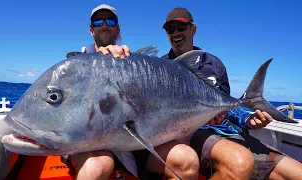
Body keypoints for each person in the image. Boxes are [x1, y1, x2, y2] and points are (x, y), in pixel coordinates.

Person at [100, 7, 302, 180]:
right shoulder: (158, 69)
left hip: (230, 133)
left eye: (181, 27)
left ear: (192, 29)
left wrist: (247, 120)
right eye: (170, 29)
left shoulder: (213, 64)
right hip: (197, 134)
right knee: (240, 162)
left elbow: (226, 105)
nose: (175, 32)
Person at [69, 4, 200, 180]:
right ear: (91, 30)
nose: (104, 25)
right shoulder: (75, 62)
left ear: (118, 30)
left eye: (110, 20)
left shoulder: (129, 61)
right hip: (92, 142)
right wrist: (98, 60)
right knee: (97, 167)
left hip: (132, 141)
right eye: (98, 21)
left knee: (186, 158)